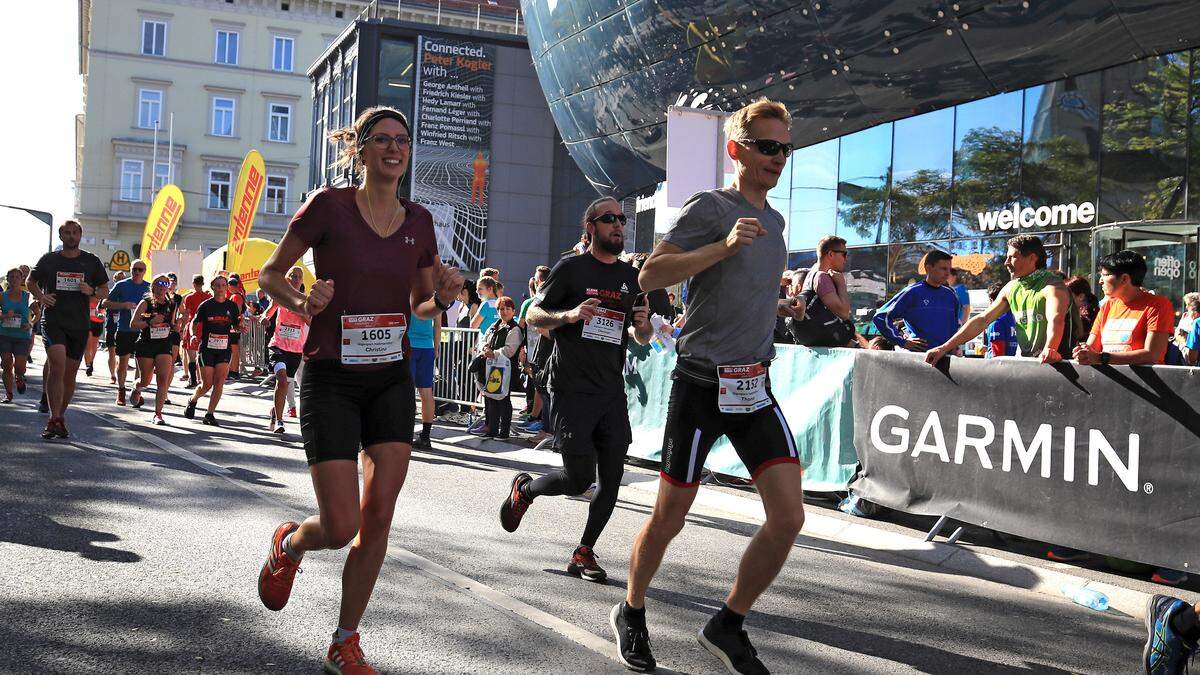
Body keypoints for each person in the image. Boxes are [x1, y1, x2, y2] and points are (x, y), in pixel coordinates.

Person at [255, 105, 464, 675]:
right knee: (341, 523)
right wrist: (302, 302)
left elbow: (422, 304)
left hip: (390, 379)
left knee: (378, 518)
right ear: (361, 149)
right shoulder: (328, 207)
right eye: (382, 140)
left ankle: (345, 639)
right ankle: (293, 544)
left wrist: (442, 296)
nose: (394, 149)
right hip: (331, 377)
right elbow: (269, 275)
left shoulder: (420, 223)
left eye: (402, 140)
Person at [614, 97, 806, 674]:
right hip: (700, 383)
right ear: (737, 150)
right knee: (670, 514)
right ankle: (632, 609)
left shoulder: (774, 221)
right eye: (767, 146)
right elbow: (650, 274)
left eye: (785, 148)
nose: (778, 157)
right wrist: (721, 247)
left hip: (753, 385)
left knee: (789, 517)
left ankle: (728, 622)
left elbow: (743, 293)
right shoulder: (712, 207)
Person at [499, 196, 651, 583]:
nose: (619, 224)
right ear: (591, 228)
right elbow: (532, 313)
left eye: (622, 218)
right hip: (571, 387)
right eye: (609, 218)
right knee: (580, 478)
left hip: (610, 390)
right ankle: (526, 491)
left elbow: (639, 335)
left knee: (613, 474)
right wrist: (567, 315)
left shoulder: (631, 279)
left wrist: (643, 325)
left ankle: (584, 551)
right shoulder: (571, 269)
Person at [924, 234, 1077, 365]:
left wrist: (1050, 349)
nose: (1006, 262)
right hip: (1027, 367)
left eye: (1012, 257)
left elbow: (1056, 319)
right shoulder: (1012, 287)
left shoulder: (1053, 286)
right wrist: (944, 348)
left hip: (1058, 368)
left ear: (1032, 258)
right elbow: (982, 320)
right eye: (1006, 257)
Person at [28, 220, 110, 438]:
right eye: (67, 233)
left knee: (70, 373)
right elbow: (30, 280)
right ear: (61, 235)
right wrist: (41, 296)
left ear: (80, 234)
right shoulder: (50, 260)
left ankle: (60, 417)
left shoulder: (91, 261)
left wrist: (91, 290)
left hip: (79, 324)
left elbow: (104, 290)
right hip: (54, 320)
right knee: (57, 365)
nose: (71, 236)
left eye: (75, 232)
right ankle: (52, 417)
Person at [1074, 250, 1174, 367]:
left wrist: (1102, 358)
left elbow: (1152, 354)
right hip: (1108, 381)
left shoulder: (1157, 305)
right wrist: (1082, 353)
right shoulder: (1107, 306)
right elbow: (1091, 348)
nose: (1100, 281)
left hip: (1144, 383)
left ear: (1124, 279)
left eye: (1105, 275)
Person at [871, 250, 960, 352]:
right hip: (919, 359)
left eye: (949, 269)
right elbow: (880, 317)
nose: (948, 273)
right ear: (928, 268)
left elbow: (955, 325)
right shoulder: (912, 292)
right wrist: (902, 342)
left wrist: (955, 346)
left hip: (946, 357)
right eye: (943, 269)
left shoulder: (951, 295)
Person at [185, 276, 239, 425]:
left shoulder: (232, 306)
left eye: (223, 285)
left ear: (227, 287)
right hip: (207, 349)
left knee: (219, 382)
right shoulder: (206, 305)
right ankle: (193, 399)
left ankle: (209, 414)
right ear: (213, 287)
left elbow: (236, 325)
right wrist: (193, 335)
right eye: (218, 285)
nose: (221, 287)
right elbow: (194, 323)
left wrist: (242, 327)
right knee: (206, 384)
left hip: (224, 349)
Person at [262, 266, 310, 435]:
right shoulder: (279, 297)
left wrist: (300, 309)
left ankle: (275, 412)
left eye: (299, 277)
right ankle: (280, 421)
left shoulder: (305, 300)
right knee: (281, 380)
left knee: (284, 385)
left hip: (295, 350)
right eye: (292, 276)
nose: (295, 279)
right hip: (278, 346)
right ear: (287, 279)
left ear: (302, 281)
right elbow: (267, 313)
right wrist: (265, 319)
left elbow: (311, 322)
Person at [129, 274, 177, 425]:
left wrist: (177, 326)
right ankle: (137, 388)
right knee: (146, 380)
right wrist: (150, 321)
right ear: (153, 286)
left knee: (163, 379)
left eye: (165, 283)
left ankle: (158, 413)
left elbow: (172, 324)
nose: (162, 285)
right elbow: (134, 324)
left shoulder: (172, 304)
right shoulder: (145, 303)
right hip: (146, 344)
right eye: (159, 283)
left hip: (164, 344)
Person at [789, 236, 851, 347]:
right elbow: (843, 313)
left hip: (815, 343)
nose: (845, 259)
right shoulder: (822, 277)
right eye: (844, 254)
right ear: (831, 254)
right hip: (826, 346)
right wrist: (841, 284)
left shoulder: (811, 274)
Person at [476, 296, 521, 439]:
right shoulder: (494, 326)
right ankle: (492, 430)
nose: (504, 311)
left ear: (514, 311)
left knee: (503, 400)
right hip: (491, 368)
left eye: (508, 309)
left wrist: (492, 353)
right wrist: (485, 348)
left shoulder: (515, 329)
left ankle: (504, 432)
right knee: (491, 398)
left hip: (506, 369)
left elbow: (509, 350)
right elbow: (484, 340)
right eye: (501, 309)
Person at [107, 260, 151, 405]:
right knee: (123, 361)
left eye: (140, 270)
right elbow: (105, 303)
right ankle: (121, 390)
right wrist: (123, 305)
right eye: (134, 269)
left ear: (144, 271)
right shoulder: (122, 285)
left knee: (141, 364)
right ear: (130, 270)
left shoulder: (148, 287)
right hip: (125, 329)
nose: (137, 272)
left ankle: (136, 390)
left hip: (143, 330)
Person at [408, 288, 440, 450]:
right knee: (426, 393)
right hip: (427, 347)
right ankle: (425, 436)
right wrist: (436, 347)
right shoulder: (435, 298)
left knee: (407, 393)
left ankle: (405, 434)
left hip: (409, 346)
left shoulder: (407, 293)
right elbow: (438, 326)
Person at [0, 268, 33, 402]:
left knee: (20, 367)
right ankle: (9, 394)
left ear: (22, 279)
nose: (14, 279)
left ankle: (19, 377)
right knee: (7, 364)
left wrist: (31, 324)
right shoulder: (2, 296)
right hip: (5, 334)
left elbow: (37, 314)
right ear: (7, 279)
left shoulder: (27, 296)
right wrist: (4, 316)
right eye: (11, 277)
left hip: (22, 336)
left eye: (17, 277)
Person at [181, 274, 211, 388]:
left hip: (193, 326)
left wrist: (183, 326)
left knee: (191, 355)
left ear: (193, 284)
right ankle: (203, 380)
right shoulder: (208, 297)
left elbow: (187, 313)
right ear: (203, 284)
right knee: (202, 354)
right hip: (204, 326)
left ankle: (192, 380)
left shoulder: (189, 297)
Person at [104, 270, 127, 385]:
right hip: (111, 325)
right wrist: (101, 313)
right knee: (111, 351)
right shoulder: (111, 292)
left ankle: (118, 372)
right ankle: (112, 375)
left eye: (122, 278)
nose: (120, 280)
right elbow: (102, 305)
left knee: (121, 353)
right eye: (118, 278)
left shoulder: (127, 292)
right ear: (114, 279)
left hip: (123, 326)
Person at [983, 282, 1017, 358]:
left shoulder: (996, 322)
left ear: (991, 300)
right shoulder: (1016, 317)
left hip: (999, 367)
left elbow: (998, 356)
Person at [227, 274, 246, 379]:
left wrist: (232, 322)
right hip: (236, 325)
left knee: (234, 349)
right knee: (234, 348)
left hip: (235, 326)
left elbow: (237, 311)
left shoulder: (236, 296)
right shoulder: (238, 294)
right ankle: (234, 370)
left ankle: (234, 371)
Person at [84, 294, 104, 376]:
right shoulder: (88, 297)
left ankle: (91, 362)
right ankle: (88, 365)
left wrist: (102, 314)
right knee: (88, 344)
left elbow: (104, 310)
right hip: (88, 322)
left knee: (94, 345)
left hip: (98, 323)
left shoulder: (102, 298)